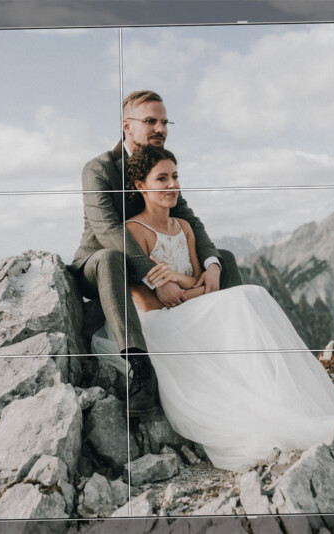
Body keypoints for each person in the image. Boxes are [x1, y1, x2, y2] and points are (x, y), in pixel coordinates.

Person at [90, 145, 334, 472]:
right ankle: (274, 404)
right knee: (245, 299)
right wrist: (191, 286)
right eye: (162, 178)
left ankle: (283, 399)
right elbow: (152, 301)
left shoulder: (183, 227)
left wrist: (178, 279)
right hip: (159, 323)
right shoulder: (133, 232)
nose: (172, 185)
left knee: (251, 295)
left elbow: (194, 282)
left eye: (175, 176)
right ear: (140, 186)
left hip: (188, 311)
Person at [71, 91, 242, 416]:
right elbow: (109, 230)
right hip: (100, 266)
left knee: (226, 257)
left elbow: (189, 218)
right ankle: (141, 372)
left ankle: (230, 353)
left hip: (155, 259)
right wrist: (155, 280)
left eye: (165, 122)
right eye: (150, 121)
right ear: (127, 126)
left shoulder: (159, 167)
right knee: (111, 258)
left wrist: (213, 265)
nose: (160, 128)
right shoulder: (99, 169)